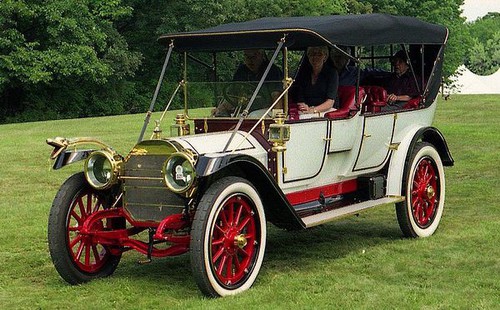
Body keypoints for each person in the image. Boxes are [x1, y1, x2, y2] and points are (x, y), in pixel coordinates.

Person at [212, 49, 283, 116]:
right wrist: (220, 109)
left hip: (267, 110)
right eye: (247, 57)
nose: (250, 61)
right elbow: (232, 95)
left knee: (253, 115)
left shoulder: (272, 71)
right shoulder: (241, 71)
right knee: (220, 115)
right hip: (244, 110)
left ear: (261, 55)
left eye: (253, 57)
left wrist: (277, 118)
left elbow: (276, 96)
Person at [295, 46, 338, 116]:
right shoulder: (304, 73)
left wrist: (313, 110)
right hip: (307, 109)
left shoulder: (332, 73)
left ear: (325, 57)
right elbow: (300, 97)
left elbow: (330, 102)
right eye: (312, 54)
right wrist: (303, 106)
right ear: (308, 57)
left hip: (327, 111)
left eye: (319, 54)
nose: (315, 57)